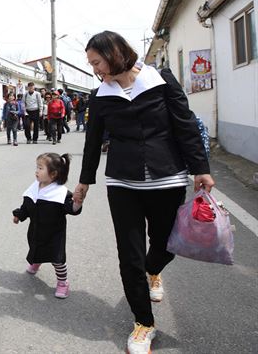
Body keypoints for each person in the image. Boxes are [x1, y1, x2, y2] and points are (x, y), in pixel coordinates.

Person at [73, 31, 214, 353]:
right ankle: (143, 323)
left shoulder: (161, 80)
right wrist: (84, 181)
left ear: (114, 54)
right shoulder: (100, 94)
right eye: (92, 64)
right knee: (129, 255)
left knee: (165, 245)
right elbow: (92, 141)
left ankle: (154, 271)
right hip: (123, 181)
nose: (95, 69)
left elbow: (185, 125)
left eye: (97, 61)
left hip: (168, 177)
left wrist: (200, 168)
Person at [12, 152, 82, 299]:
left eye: (40, 168)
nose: (36, 171)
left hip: (54, 234)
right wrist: (19, 214)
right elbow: (27, 206)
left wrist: (77, 203)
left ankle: (63, 282)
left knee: (57, 259)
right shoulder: (34, 188)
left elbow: (72, 210)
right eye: (36, 167)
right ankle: (36, 262)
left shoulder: (61, 194)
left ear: (54, 174)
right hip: (36, 230)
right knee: (35, 248)